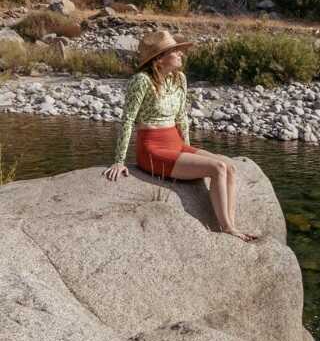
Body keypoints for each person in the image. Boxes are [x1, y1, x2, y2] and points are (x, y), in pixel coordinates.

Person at [102, 29, 257, 243]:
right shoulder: (141, 81)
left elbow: (182, 118)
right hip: (153, 148)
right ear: (159, 59)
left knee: (228, 166)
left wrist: (190, 153)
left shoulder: (179, 79)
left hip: (176, 143)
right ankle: (228, 228)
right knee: (217, 168)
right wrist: (119, 161)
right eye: (175, 51)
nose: (181, 54)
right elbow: (128, 119)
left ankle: (232, 224)